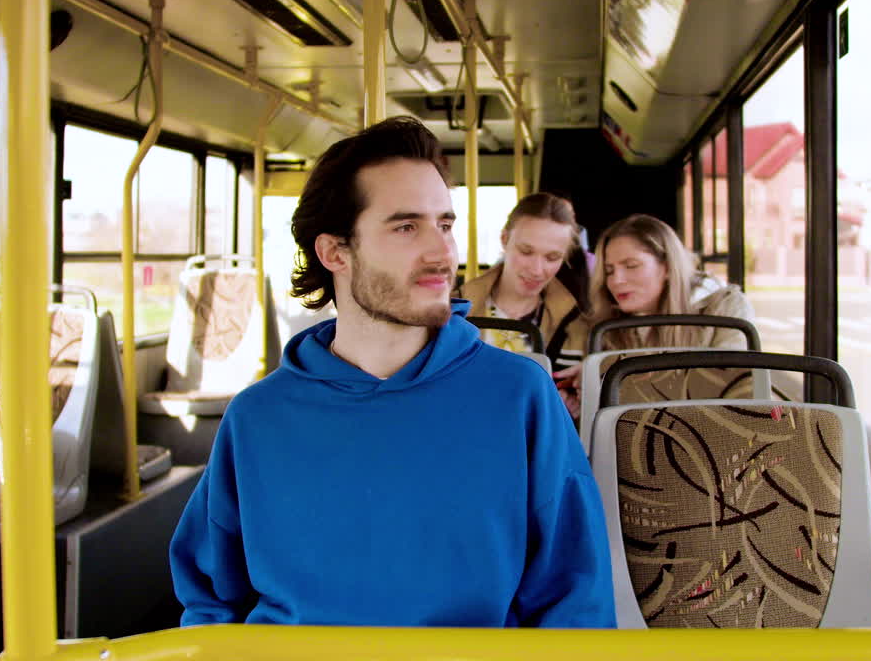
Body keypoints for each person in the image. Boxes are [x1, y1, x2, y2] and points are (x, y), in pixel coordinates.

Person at [169, 116, 615, 628]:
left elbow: (575, 601)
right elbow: (210, 604)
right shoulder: (257, 416)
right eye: (406, 227)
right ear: (335, 251)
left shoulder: (519, 395)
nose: (444, 253)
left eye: (444, 225)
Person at [454, 193, 591, 417]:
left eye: (552, 257)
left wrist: (575, 400)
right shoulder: (454, 310)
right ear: (504, 239)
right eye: (526, 252)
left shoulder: (576, 324)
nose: (537, 270)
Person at [587, 213, 755, 350]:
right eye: (609, 271)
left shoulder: (727, 307)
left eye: (631, 266)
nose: (616, 280)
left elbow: (733, 376)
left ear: (668, 267)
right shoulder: (608, 327)